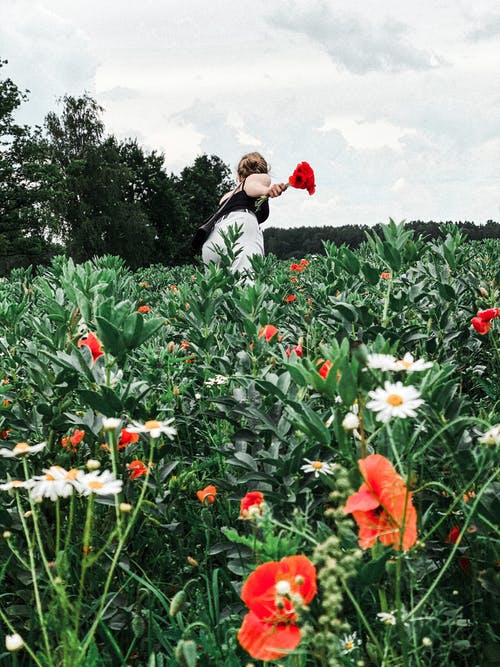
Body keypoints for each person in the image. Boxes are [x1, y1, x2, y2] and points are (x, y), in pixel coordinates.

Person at [201, 152, 287, 276]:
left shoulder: (227, 196)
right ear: (264, 171)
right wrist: (266, 190)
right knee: (247, 288)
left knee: (215, 292)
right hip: (240, 229)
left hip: (213, 240)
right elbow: (251, 184)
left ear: (238, 175)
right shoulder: (260, 179)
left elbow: (248, 186)